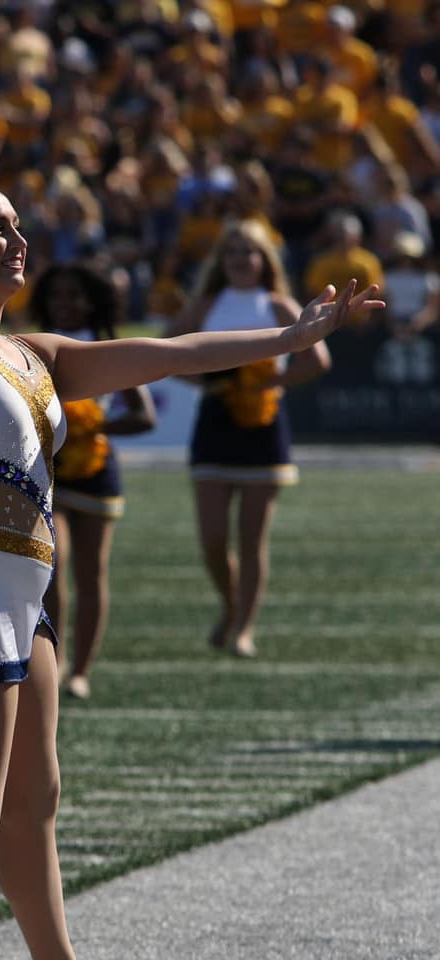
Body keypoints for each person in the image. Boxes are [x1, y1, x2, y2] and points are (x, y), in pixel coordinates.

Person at [0, 4, 384, 958]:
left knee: (35, 813)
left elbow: (172, 351)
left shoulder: (36, 353)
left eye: (21, 227)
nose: (19, 242)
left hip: (21, 602)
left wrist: (286, 335)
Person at [166, 219, 332, 659]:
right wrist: (206, 385)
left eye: (250, 251)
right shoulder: (206, 304)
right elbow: (163, 349)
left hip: (262, 425)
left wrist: (270, 383)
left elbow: (318, 360)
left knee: (252, 537)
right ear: (222, 261)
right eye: (233, 252)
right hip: (215, 423)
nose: (241, 259)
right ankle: (231, 602)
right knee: (213, 537)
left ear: (265, 260)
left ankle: (244, 627)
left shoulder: (277, 304)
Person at [29, 262, 157, 700]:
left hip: (97, 473)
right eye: (57, 295)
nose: (64, 304)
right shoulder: (34, 348)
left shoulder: (105, 347)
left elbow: (144, 415)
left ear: (93, 301)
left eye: (74, 295)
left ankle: (81, 669)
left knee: (91, 573)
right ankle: (56, 661)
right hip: (49, 473)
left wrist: (94, 427)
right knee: (53, 565)